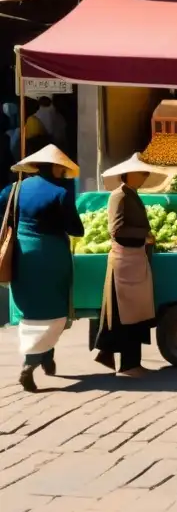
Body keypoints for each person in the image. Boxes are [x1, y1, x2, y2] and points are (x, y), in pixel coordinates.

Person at [0, 145, 83, 392]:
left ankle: (46, 357)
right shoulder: (61, 192)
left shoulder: (14, 189)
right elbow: (76, 229)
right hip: (51, 257)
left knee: (32, 310)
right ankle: (31, 362)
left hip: (22, 256)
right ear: (58, 167)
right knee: (55, 311)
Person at [93, 154, 157, 377]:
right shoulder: (118, 196)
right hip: (124, 263)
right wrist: (144, 235)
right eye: (142, 173)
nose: (144, 177)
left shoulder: (132, 195)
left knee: (136, 314)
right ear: (129, 174)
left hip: (135, 259)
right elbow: (116, 230)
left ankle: (132, 363)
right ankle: (128, 366)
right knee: (126, 316)